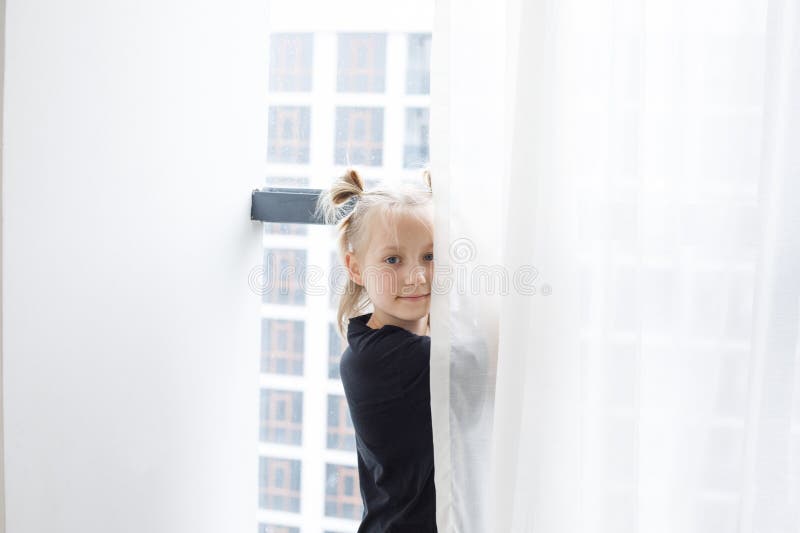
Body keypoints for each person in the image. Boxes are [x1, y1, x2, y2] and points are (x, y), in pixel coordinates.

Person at [315, 168, 436, 533]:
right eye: (393, 260)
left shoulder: (370, 338)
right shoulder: (386, 360)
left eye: (430, 256)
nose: (416, 276)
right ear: (355, 267)